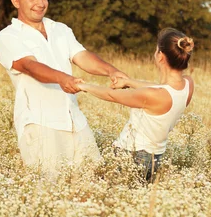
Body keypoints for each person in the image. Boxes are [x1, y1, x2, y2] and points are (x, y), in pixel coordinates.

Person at [0, 0, 127, 173]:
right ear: (16, 2)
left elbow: (82, 56)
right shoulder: (8, 36)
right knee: (49, 192)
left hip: (76, 121)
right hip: (41, 125)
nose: (40, 3)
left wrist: (112, 71)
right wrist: (63, 78)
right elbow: (30, 66)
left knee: (91, 183)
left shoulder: (60, 29)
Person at [78, 28, 195, 180]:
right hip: (154, 157)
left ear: (160, 56)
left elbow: (111, 95)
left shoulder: (153, 95)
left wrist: (82, 86)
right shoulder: (187, 84)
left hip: (131, 155)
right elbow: (158, 89)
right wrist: (128, 82)